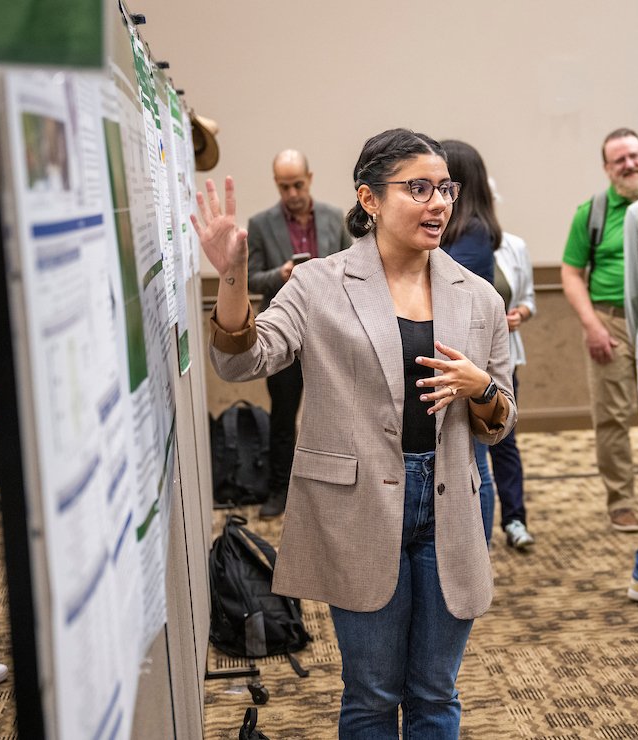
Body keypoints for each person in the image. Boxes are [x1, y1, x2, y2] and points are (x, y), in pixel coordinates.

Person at [198, 128, 516, 738]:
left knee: (435, 692)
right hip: (359, 504)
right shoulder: (320, 284)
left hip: (451, 502)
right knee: (371, 693)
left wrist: (480, 388)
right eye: (417, 188)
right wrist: (233, 277)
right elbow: (241, 361)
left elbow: (500, 424)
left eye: (445, 188)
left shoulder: (477, 296)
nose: (439, 203)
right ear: (369, 199)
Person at [245, 149, 351, 518]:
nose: (292, 192)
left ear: (310, 177)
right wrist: (282, 275)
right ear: (277, 184)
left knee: (337, 413)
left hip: (330, 329)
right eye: (284, 186)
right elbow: (249, 278)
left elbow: (353, 265)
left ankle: (336, 489)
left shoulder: (333, 217)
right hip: (283, 331)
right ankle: (279, 489)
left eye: (298, 184)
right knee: (284, 415)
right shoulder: (260, 224)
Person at [561, 128, 638, 532]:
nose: (629, 164)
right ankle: (622, 502)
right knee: (613, 417)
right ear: (607, 168)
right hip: (610, 320)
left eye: (634, 155)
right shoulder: (592, 211)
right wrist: (592, 325)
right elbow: (571, 273)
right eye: (620, 160)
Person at [437, 140, 500, 543]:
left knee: (477, 461)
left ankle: (478, 544)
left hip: (469, 360)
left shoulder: (473, 234)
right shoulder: (466, 229)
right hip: (458, 356)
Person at [491, 229, 536, 550]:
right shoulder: (448, 242)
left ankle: (514, 519)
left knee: (504, 439)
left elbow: (528, 299)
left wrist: (520, 313)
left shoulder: (513, 245)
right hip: (460, 358)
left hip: (504, 359)